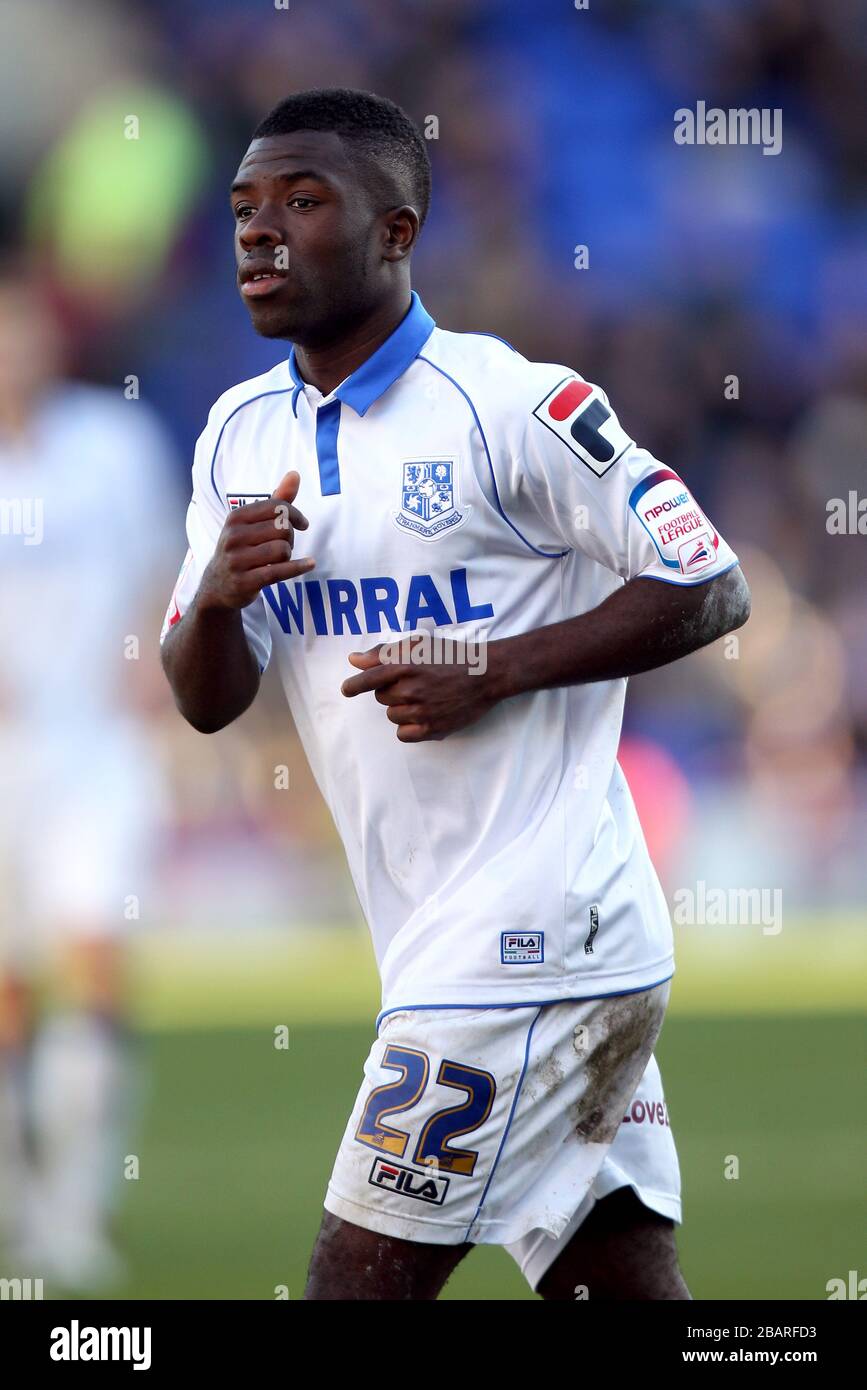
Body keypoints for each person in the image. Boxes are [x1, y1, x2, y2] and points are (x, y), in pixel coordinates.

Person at [160, 88, 750, 1301]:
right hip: (458, 945)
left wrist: (498, 667)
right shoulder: (235, 435)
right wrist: (217, 597)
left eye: (302, 202)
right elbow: (207, 701)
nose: (259, 234)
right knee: (620, 1285)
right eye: (243, 210)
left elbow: (710, 579)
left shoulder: (512, 406)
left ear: (398, 231)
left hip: (530, 941)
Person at [0, 262, 176, 1288]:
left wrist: (143, 665)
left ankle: (78, 1210)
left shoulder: (112, 446)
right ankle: (25, 1203)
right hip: (5, 758)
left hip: (96, 752)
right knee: (13, 989)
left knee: (96, 956)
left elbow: (166, 570)